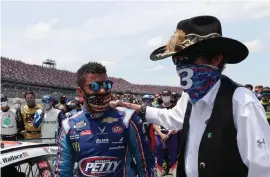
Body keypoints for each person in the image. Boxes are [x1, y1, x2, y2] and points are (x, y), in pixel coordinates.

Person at [110, 16, 270, 177]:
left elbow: (262, 167)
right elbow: (174, 118)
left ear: (216, 58)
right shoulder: (190, 97)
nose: (181, 67)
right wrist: (133, 107)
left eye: (187, 58)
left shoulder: (242, 102)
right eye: (176, 60)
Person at [54, 62, 155, 177]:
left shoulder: (128, 119)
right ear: (81, 91)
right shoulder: (69, 125)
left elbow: (146, 165)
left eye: (107, 85)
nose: (102, 91)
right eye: (95, 86)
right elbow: (62, 171)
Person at [154, 90, 179, 176]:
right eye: (164, 95)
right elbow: (154, 123)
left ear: (171, 96)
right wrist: (160, 134)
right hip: (159, 133)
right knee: (159, 152)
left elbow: (177, 122)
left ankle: (173, 168)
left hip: (172, 133)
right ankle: (161, 169)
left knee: (173, 152)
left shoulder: (175, 108)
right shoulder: (157, 108)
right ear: (161, 96)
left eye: (167, 95)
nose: (166, 97)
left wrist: (169, 133)